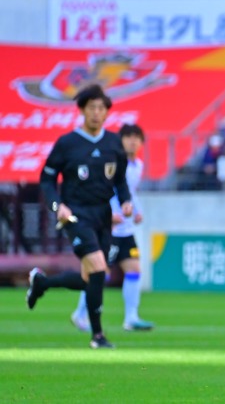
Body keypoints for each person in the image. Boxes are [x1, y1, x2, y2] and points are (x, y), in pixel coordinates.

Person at [27, 84, 132, 349]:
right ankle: (98, 336)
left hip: (103, 214)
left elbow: (120, 180)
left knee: (93, 277)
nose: (97, 113)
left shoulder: (113, 143)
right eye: (92, 108)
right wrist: (57, 206)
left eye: (101, 108)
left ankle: (42, 283)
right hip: (75, 214)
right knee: (98, 267)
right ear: (82, 111)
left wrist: (126, 201)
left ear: (107, 112)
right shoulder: (67, 143)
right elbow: (47, 179)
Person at [71, 123, 155, 333]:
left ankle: (131, 318)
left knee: (134, 269)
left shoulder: (138, 165)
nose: (133, 141)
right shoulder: (112, 163)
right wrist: (107, 214)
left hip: (125, 230)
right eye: (128, 137)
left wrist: (138, 210)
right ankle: (80, 313)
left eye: (137, 137)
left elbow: (131, 192)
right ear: (120, 140)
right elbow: (101, 190)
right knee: (100, 272)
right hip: (108, 229)